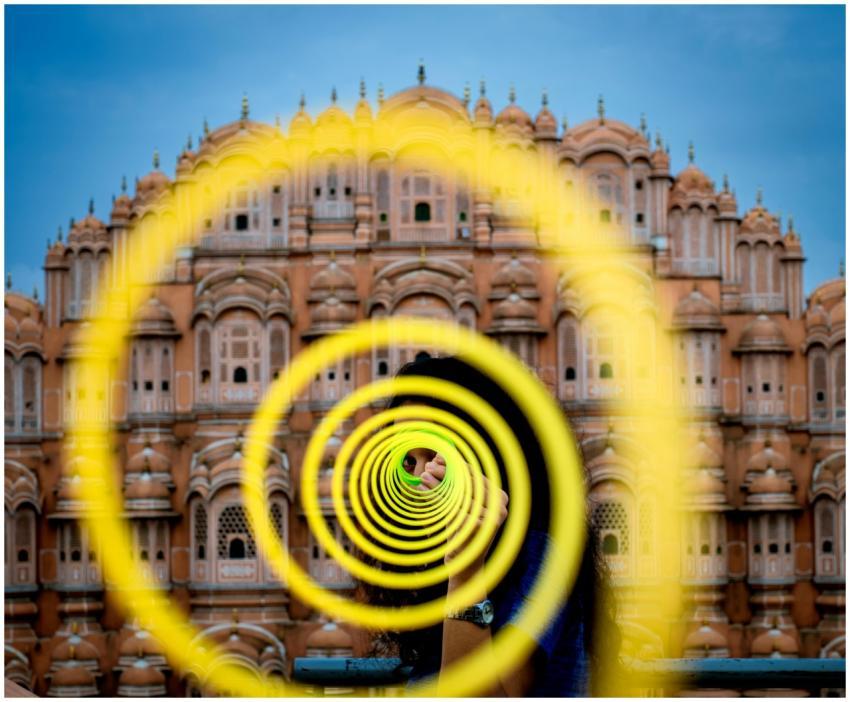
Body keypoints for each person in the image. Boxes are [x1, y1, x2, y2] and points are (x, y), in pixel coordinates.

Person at [360, 355, 619, 697]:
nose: (419, 477)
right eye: (408, 460)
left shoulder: (542, 557)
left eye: (436, 453)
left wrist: (466, 574)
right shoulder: (441, 563)